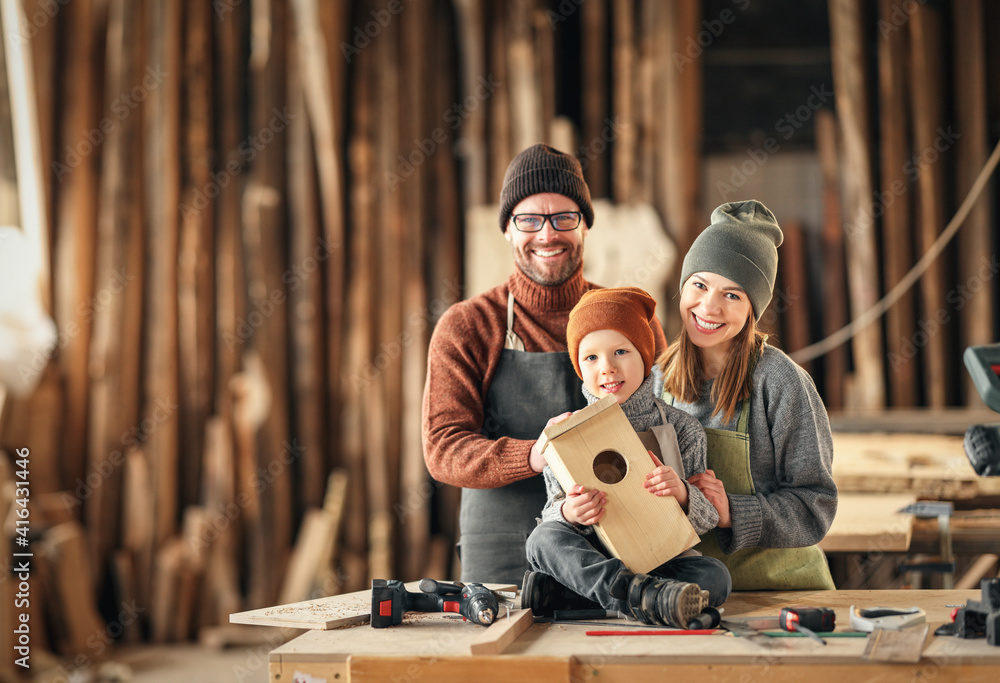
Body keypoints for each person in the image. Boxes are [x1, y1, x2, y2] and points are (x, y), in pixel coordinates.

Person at [422, 144, 668, 585]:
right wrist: (536, 455)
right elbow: (443, 448)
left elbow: (668, 421)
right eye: (529, 219)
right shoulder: (469, 325)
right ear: (508, 231)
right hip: (504, 554)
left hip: (619, 546)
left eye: (564, 218)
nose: (547, 234)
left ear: (586, 226)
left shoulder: (630, 319)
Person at [521, 287, 730, 627]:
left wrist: (681, 491)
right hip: (595, 558)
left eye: (621, 351)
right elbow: (550, 511)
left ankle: (574, 597)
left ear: (645, 357)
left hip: (661, 558)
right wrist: (568, 512)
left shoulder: (682, 428)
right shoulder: (563, 435)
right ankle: (643, 598)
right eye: (591, 358)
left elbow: (704, 522)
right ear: (578, 367)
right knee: (543, 539)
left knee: (715, 576)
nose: (607, 368)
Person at [659, 200, 837, 590]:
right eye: (700, 285)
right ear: (683, 285)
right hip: (689, 595)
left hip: (780, 592)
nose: (709, 306)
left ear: (754, 309)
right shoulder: (658, 379)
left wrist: (732, 513)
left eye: (733, 295)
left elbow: (816, 505)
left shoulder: (781, 382)